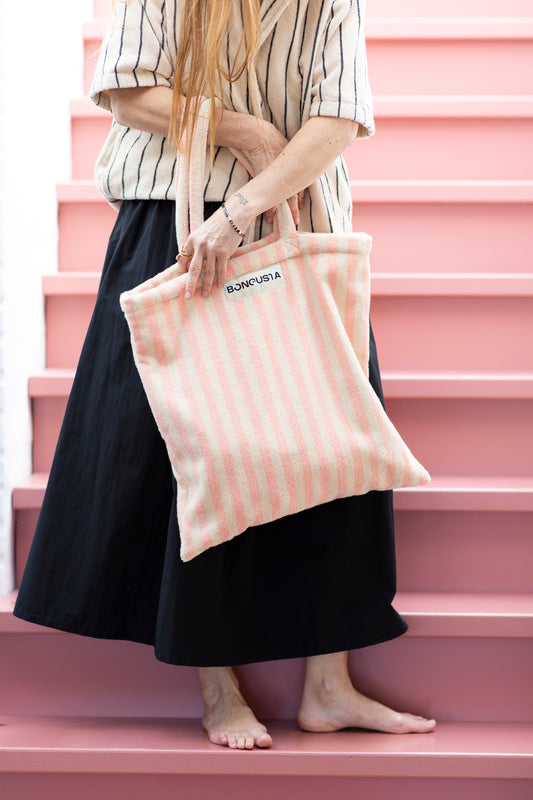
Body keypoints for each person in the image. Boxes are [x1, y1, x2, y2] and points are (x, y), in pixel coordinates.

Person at [14, 0, 436, 749]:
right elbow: (122, 88)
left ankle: (329, 686)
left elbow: (336, 118)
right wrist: (238, 127)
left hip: (291, 217)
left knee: (334, 443)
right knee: (192, 451)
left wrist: (245, 204)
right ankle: (217, 686)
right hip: (170, 223)